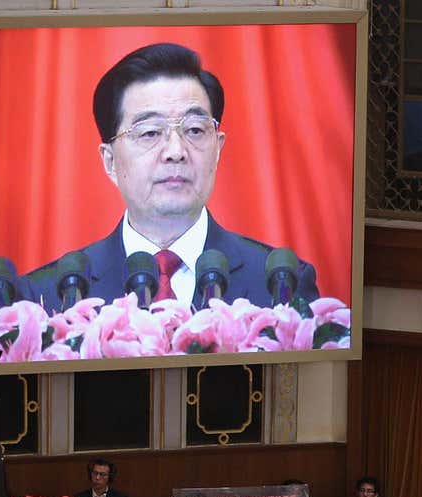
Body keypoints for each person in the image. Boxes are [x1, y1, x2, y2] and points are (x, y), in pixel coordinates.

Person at [21, 43, 321, 309]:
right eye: (150, 132)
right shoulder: (46, 296)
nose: (176, 151)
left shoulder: (282, 286)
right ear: (110, 161)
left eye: (194, 130)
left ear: (217, 149)